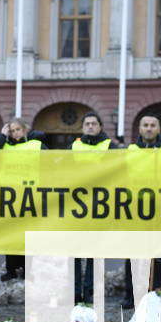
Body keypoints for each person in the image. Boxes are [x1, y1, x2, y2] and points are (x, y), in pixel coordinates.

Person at [0, 117, 47, 280]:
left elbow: (51, 163)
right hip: (9, 197)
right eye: (12, 130)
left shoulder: (36, 145)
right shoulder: (5, 145)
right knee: (10, 234)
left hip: (30, 196)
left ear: (25, 130)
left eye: (18, 129)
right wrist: (2, 135)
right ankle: (11, 269)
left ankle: (28, 269)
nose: (15, 133)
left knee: (28, 236)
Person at [72, 112, 119, 304]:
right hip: (77, 205)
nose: (90, 126)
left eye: (93, 123)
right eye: (87, 124)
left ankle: (90, 291)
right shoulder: (74, 146)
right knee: (75, 250)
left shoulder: (110, 146)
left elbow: (118, 170)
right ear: (82, 127)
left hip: (101, 204)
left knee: (94, 251)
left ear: (100, 127)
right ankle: (75, 291)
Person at [122, 115, 161, 309]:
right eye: (145, 125)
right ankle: (131, 294)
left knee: (157, 254)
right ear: (139, 129)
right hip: (135, 208)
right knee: (133, 253)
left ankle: (156, 292)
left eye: (153, 125)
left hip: (158, 208)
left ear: (158, 129)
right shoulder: (129, 151)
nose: (149, 129)